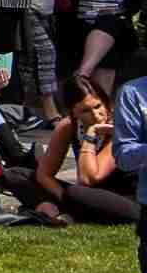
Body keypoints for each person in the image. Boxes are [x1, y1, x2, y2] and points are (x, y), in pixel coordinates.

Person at [11, 74, 142, 226]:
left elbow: (89, 178)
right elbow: (44, 175)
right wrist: (63, 197)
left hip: (128, 198)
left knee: (76, 192)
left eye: (98, 106)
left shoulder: (118, 126)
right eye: (85, 111)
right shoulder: (68, 126)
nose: (95, 115)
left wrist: (90, 136)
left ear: (106, 103)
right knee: (16, 175)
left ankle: (57, 211)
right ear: (73, 113)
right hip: (88, 194)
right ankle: (68, 210)